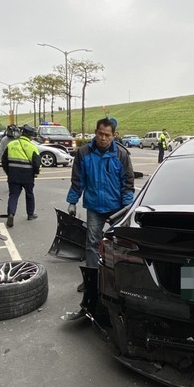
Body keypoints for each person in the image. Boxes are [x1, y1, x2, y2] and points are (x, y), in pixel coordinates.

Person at [66, 117, 135, 291]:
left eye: (107, 135)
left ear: (114, 135)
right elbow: (77, 180)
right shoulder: (83, 153)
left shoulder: (121, 154)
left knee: (120, 246)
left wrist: (128, 209)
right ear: (95, 133)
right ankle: (91, 279)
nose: (103, 138)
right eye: (100, 134)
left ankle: (118, 281)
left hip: (117, 209)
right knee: (92, 244)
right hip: (94, 207)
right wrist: (72, 202)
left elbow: (128, 183)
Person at [1, 124, 41, 228]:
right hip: (28, 176)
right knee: (29, 194)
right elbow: (37, 163)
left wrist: (8, 172)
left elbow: (4, 161)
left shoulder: (11, 145)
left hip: (13, 175)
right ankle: (30, 214)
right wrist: (36, 173)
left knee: (13, 195)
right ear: (30, 136)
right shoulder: (33, 147)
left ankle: (11, 214)